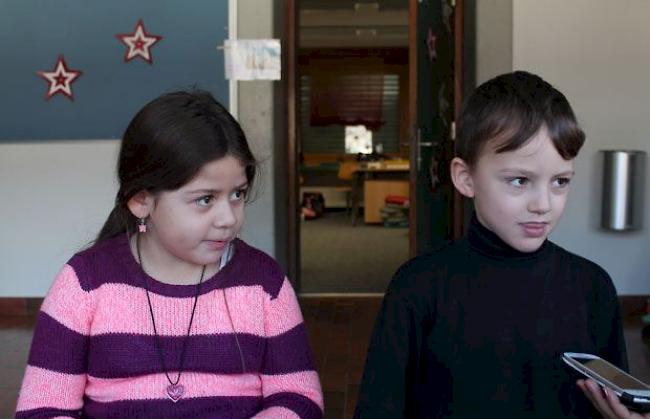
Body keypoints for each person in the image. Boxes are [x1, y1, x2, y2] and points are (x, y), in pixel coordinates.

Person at [15, 90, 323, 418]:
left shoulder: (265, 284)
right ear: (141, 200)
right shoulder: (84, 284)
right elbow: (42, 409)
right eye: (205, 199)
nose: (229, 218)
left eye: (237, 194)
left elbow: (298, 397)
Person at [353, 71, 628, 418]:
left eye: (560, 181)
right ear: (465, 178)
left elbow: (614, 403)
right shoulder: (418, 286)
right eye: (519, 180)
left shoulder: (593, 287)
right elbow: (379, 408)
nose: (543, 203)